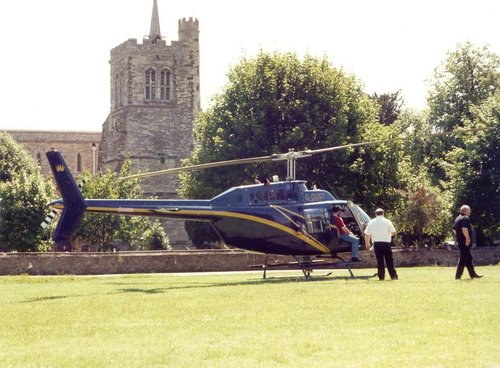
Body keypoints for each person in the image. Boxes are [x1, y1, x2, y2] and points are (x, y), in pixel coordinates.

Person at [364, 208, 398, 280]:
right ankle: (393, 276)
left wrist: (367, 243)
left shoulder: (371, 222)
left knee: (380, 261)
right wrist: (388, 235)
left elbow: (367, 234)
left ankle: (381, 277)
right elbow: (393, 231)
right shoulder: (387, 221)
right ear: (383, 213)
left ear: (375, 214)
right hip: (386, 242)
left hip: (376, 243)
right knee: (389, 260)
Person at [452, 205, 483, 280]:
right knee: (463, 258)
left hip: (460, 241)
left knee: (468, 258)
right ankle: (458, 276)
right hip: (464, 241)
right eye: (469, 210)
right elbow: (464, 229)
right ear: (465, 211)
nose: (470, 211)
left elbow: (453, 229)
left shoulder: (458, 218)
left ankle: (473, 274)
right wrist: (467, 238)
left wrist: (459, 236)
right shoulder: (465, 218)